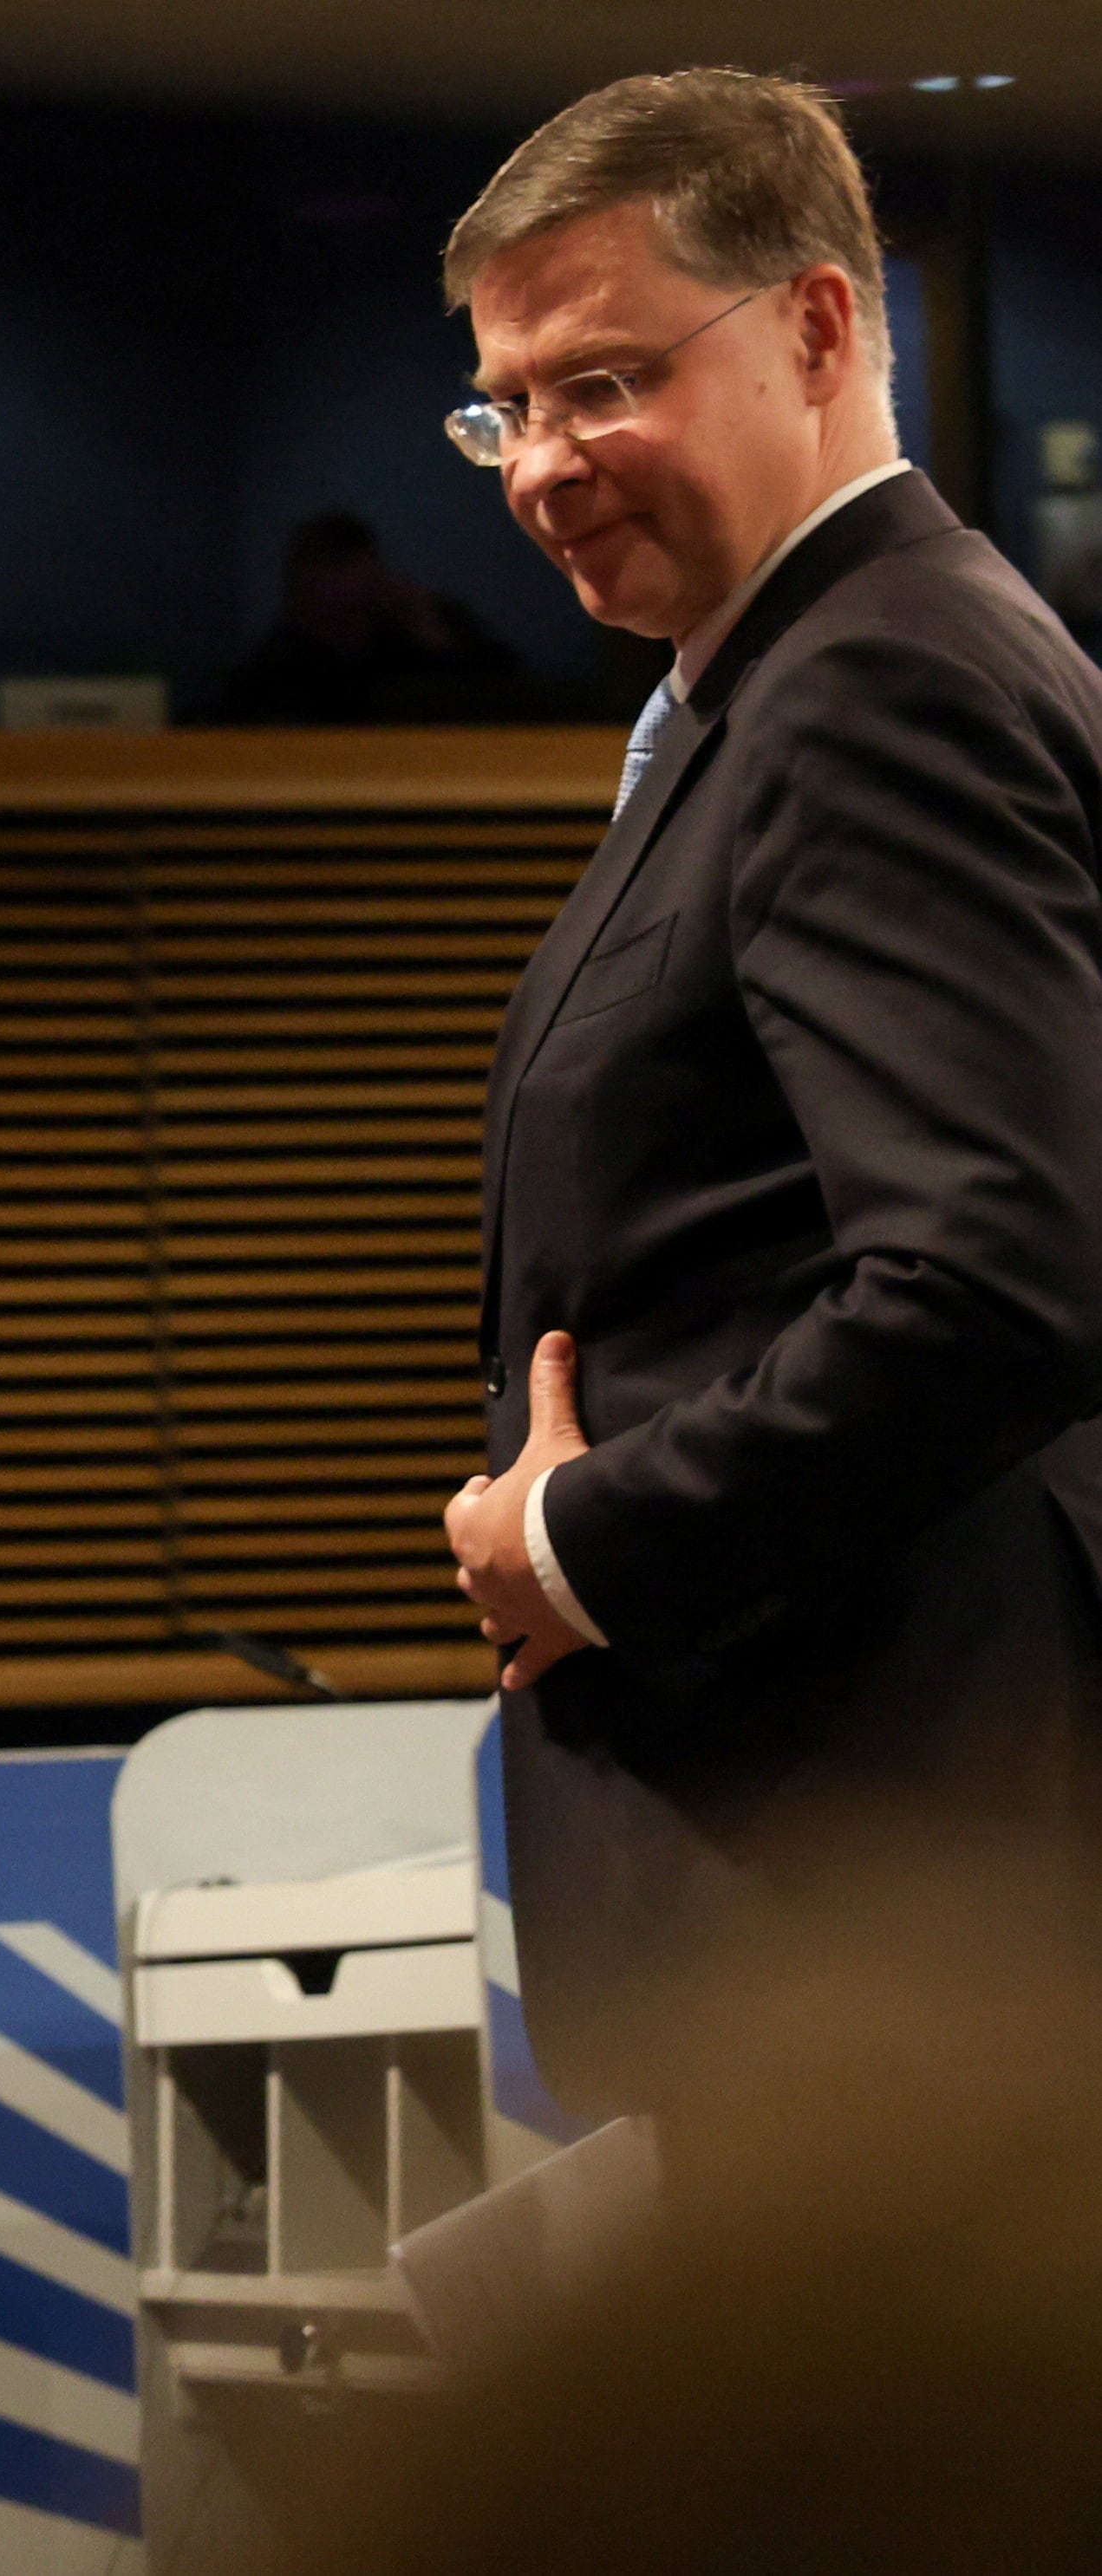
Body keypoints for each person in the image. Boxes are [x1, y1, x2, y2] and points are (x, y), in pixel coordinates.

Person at [435, 71, 1102, 2111]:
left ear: (815, 328)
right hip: (850, 1881)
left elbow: (1000, 1275)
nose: (542, 467)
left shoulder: (875, 680)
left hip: (883, 1891)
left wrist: (588, 1539)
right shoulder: (797, 679)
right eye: (503, 409)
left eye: (602, 383)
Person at [217, 509, 525, 722]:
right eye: (327, 570)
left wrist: (433, 636)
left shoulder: (417, 629)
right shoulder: (274, 668)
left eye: (348, 567)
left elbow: (512, 700)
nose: (340, 590)